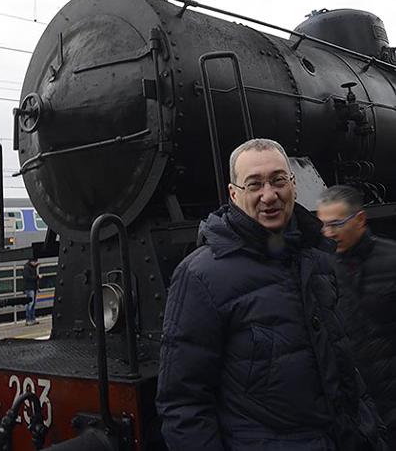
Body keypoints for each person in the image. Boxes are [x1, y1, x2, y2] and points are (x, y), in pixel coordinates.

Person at [156, 138, 386, 450]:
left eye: (278, 180)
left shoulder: (318, 256)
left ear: (293, 184)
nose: (269, 195)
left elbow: (349, 364)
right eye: (255, 184)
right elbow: (184, 402)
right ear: (234, 194)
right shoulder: (200, 275)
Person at [317, 185, 396, 447]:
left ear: (360, 219)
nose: (328, 233)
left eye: (336, 224)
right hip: (355, 409)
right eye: (323, 225)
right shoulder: (320, 270)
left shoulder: (391, 261)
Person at [23, 257, 40, 325]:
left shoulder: (33, 267)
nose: (36, 263)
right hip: (29, 288)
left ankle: (33, 319)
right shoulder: (27, 268)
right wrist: (37, 277)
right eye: (35, 262)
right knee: (30, 304)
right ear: (31, 261)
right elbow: (27, 277)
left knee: (33, 304)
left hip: (34, 287)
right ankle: (28, 319)